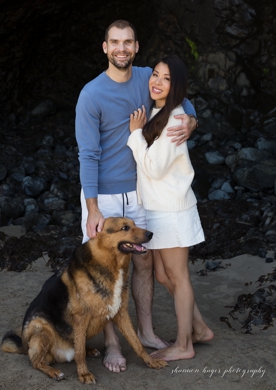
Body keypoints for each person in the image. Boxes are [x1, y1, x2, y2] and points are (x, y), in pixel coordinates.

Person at [76, 20, 199, 372]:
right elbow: (88, 154)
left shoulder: (148, 77)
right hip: (107, 198)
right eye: (115, 42)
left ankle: (145, 331)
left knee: (144, 263)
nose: (121, 49)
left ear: (136, 46)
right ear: (105, 47)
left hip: (142, 192)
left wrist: (191, 119)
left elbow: (179, 98)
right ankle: (114, 344)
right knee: (106, 269)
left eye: (127, 42)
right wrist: (92, 208)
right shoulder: (91, 94)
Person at [125, 54, 214, 361]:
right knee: (163, 275)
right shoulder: (158, 111)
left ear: (176, 86)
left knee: (178, 275)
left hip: (173, 211)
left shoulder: (175, 119)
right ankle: (200, 328)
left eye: (166, 78)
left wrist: (135, 135)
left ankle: (184, 344)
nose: (158, 82)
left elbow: (154, 168)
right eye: (156, 75)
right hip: (157, 210)